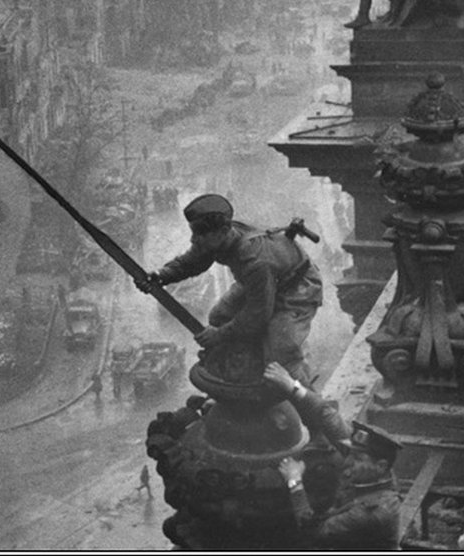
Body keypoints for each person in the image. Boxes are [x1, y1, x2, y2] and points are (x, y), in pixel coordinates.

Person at [136, 194, 322, 385]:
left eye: (200, 235)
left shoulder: (254, 259)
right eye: (194, 233)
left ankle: (309, 400)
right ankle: (247, 366)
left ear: (223, 230)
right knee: (219, 316)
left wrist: (218, 336)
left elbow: (257, 314)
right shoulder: (221, 237)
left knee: (281, 354)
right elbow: (193, 261)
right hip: (262, 281)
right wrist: (160, 275)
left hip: (297, 288)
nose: (194, 239)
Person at [264, 363, 403, 550]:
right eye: (352, 454)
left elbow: (312, 530)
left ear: (380, 466)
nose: (349, 461)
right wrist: (292, 386)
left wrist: (294, 481)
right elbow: (327, 416)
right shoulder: (376, 469)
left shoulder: (373, 512)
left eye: (357, 459)